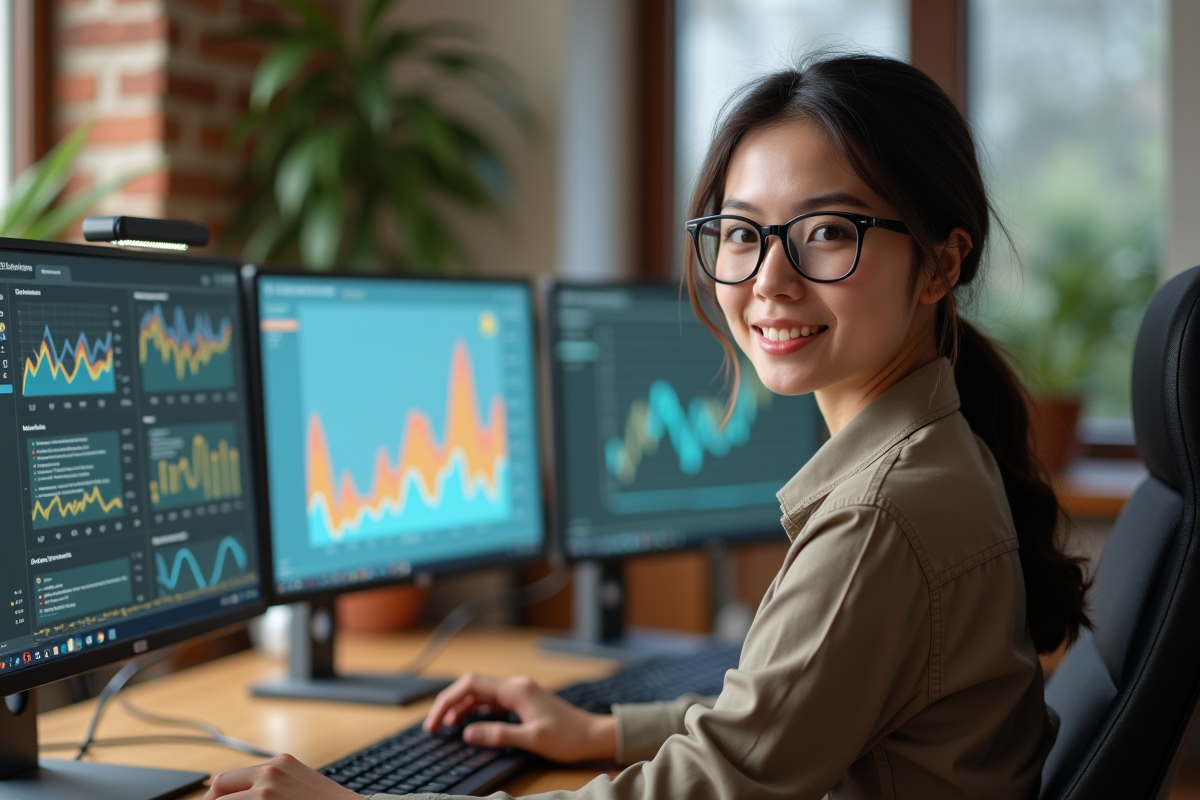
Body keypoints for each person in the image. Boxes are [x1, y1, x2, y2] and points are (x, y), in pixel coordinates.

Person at [204, 53, 1089, 800]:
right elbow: (782, 715)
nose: (768, 280)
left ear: (940, 265)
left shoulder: (882, 517)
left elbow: (722, 780)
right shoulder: (931, 460)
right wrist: (601, 729)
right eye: (740, 233)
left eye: (826, 231)